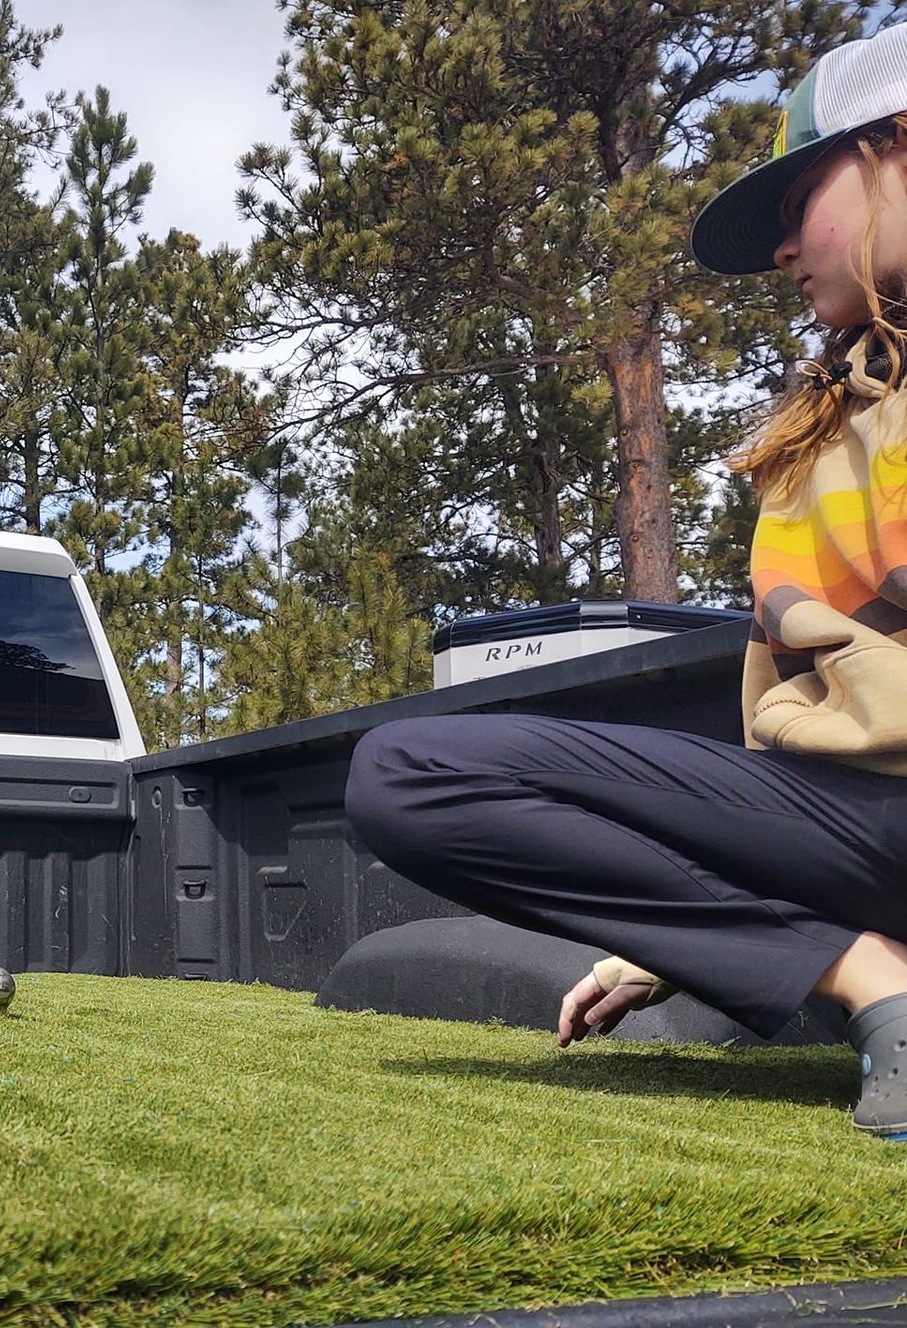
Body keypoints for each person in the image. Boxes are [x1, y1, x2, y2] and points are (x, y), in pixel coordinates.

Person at [345, 23, 907, 1137]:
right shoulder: (830, 419)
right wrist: (705, 927)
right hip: (863, 829)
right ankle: (869, 980)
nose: (783, 250)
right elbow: (805, 727)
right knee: (406, 773)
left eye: (797, 200)